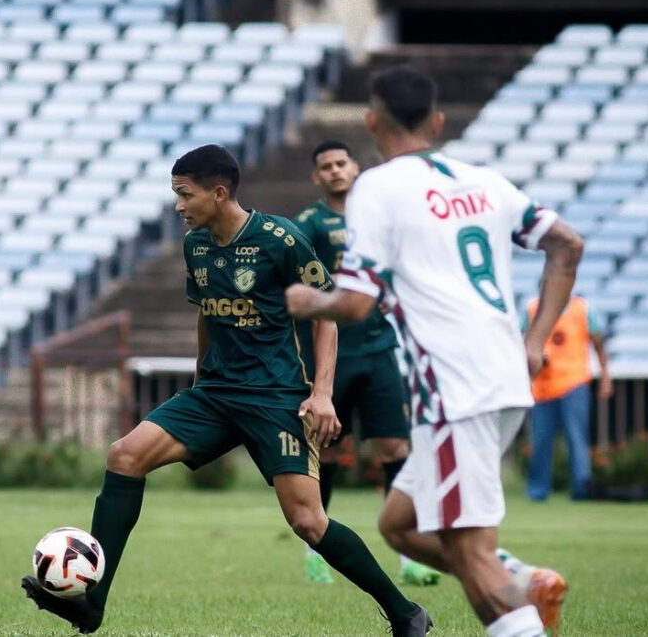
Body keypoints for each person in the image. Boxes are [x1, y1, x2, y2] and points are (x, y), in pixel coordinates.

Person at [22, 144, 432, 636]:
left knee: (308, 521)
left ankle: (406, 613)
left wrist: (321, 394)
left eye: (184, 194)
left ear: (219, 193)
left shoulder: (283, 239)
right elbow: (206, 312)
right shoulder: (195, 245)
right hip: (214, 393)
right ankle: (92, 605)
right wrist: (199, 382)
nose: (177, 206)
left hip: (274, 396)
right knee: (124, 456)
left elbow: (327, 317)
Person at [285, 65, 581, 637]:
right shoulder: (485, 181)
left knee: (470, 554)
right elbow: (567, 243)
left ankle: (517, 595)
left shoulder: (378, 186)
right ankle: (522, 578)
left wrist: (305, 301)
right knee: (400, 524)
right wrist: (535, 341)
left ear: (370, 121)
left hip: (455, 389)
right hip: (502, 378)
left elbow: (354, 304)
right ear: (438, 121)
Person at [294, 139, 440, 587]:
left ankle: (409, 555)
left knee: (395, 447)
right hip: (334, 356)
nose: (336, 171)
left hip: (379, 350)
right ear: (317, 177)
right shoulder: (309, 225)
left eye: (342, 162)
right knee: (332, 449)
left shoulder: (379, 217)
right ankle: (316, 547)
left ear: (355, 166)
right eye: (327, 167)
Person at [521, 294, 613, 501]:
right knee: (540, 441)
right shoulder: (531, 308)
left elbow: (598, 343)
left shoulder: (583, 309)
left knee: (576, 439)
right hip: (543, 386)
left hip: (574, 383)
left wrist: (605, 375)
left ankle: (582, 489)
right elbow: (520, 341)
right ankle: (537, 492)